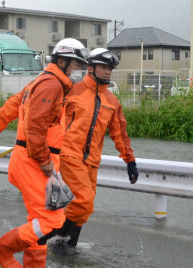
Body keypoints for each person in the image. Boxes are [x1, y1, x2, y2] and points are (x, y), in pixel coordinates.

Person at [0, 38, 89, 268]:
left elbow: (9, 107)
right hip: (35, 159)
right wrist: (45, 162)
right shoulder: (52, 85)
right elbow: (35, 125)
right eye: (76, 64)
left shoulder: (41, 82)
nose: (79, 70)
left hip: (31, 158)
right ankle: (1, 250)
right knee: (51, 221)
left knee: (38, 219)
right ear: (62, 61)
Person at [56, 49, 138, 248]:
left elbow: (120, 134)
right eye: (103, 67)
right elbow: (48, 116)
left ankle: (65, 246)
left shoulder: (112, 101)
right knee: (84, 200)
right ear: (90, 68)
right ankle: (53, 236)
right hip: (68, 154)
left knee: (85, 209)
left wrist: (130, 161)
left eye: (110, 68)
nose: (108, 72)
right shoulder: (71, 90)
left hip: (91, 161)